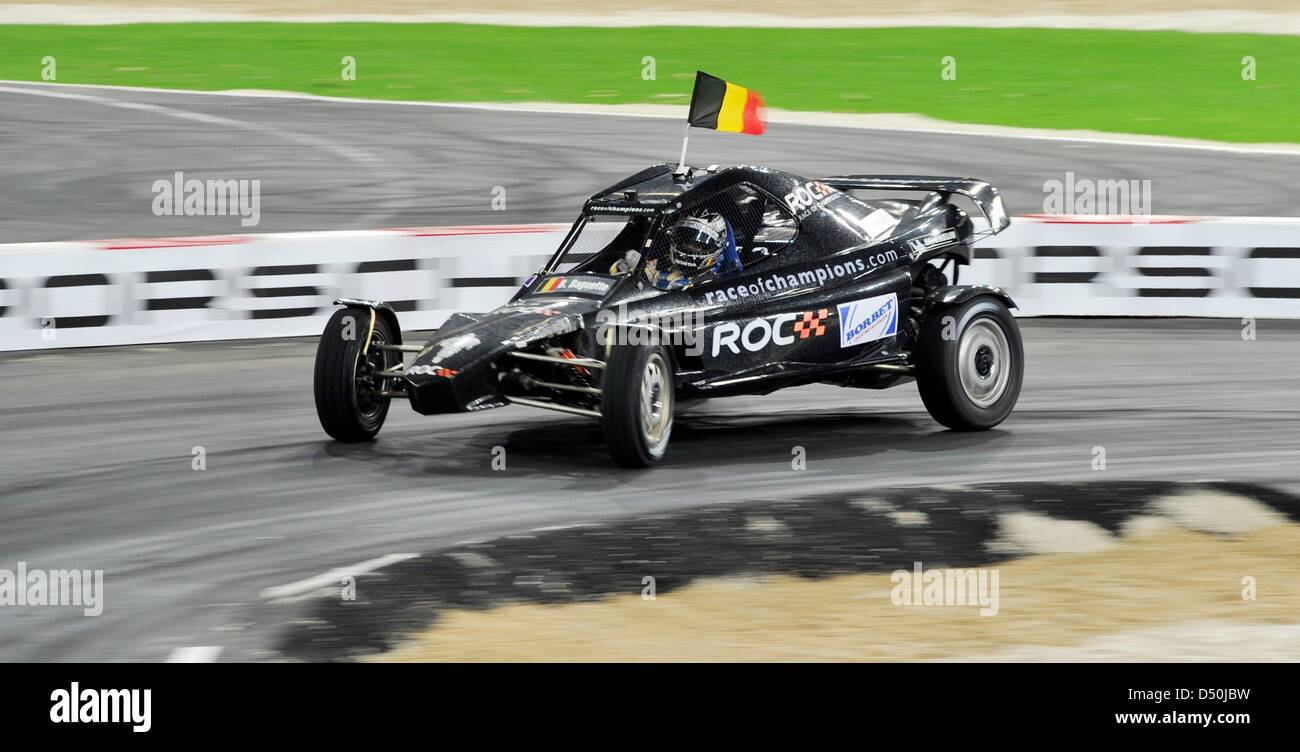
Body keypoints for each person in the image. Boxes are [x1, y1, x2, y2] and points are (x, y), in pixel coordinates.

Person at [644, 211, 743, 290]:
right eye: (686, 240)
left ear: (714, 246)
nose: (689, 247)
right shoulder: (668, 262)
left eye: (697, 244)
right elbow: (647, 270)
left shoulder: (714, 280)